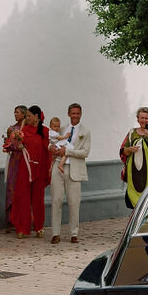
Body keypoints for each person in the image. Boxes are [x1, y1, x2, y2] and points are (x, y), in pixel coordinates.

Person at [49, 102, 92, 245]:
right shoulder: (61, 128)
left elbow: (85, 152)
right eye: (73, 113)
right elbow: (50, 142)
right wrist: (53, 148)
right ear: (69, 114)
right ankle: (55, 233)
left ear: (81, 114)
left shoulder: (85, 131)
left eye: (78, 113)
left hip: (74, 169)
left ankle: (74, 233)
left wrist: (67, 151)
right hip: (58, 167)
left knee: (74, 202)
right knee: (56, 200)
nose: (75, 116)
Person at [10, 105, 50, 238]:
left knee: (38, 199)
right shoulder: (24, 130)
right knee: (23, 197)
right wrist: (19, 143)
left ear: (36, 116)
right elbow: (17, 144)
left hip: (39, 168)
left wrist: (48, 168)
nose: (26, 118)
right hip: (25, 168)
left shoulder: (44, 131)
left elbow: (47, 150)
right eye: (26, 116)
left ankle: (39, 227)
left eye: (28, 116)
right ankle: (22, 227)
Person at [120, 108, 148, 210]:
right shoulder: (132, 133)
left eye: (146, 118)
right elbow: (123, 151)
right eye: (142, 118)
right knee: (134, 197)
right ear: (138, 119)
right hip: (132, 173)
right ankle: (136, 219)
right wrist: (130, 149)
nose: (144, 120)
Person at [2, 105, 28, 230]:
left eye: (18, 112)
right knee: (12, 188)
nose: (15, 114)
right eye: (14, 112)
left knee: (24, 190)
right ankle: (10, 220)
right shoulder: (11, 129)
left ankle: (25, 219)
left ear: (24, 114)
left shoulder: (28, 129)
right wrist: (9, 146)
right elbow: (8, 144)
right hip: (14, 161)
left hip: (24, 160)